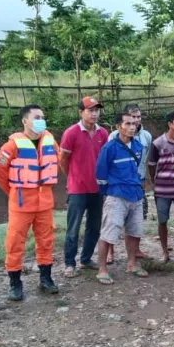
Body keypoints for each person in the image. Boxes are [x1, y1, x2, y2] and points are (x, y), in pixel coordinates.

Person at [0, 104, 60, 300]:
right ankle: (15, 283)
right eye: (36, 117)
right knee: (14, 243)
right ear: (25, 121)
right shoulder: (11, 146)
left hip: (44, 203)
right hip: (21, 204)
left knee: (46, 242)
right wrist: (14, 192)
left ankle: (46, 279)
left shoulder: (50, 142)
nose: (41, 120)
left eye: (43, 117)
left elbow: (55, 162)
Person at [94, 112, 150, 285]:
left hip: (135, 195)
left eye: (134, 123)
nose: (132, 127)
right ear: (118, 127)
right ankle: (102, 269)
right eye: (127, 124)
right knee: (108, 233)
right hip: (116, 195)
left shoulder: (138, 147)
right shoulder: (109, 148)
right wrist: (108, 193)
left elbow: (137, 169)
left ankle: (132, 264)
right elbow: (100, 174)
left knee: (134, 231)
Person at [61, 96, 108, 278]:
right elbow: (63, 160)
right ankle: (69, 263)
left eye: (96, 110)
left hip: (97, 188)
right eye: (90, 110)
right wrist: (73, 176)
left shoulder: (102, 133)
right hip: (77, 189)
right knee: (73, 227)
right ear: (81, 112)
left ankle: (86, 259)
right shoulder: (71, 133)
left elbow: (104, 160)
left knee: (94, 227)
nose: (94, 113)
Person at [109, 103, 152, 262]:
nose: (136, 121)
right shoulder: (113, 136)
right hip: (118, 185)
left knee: (138, 219)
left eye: (138, 117)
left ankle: (136, 250)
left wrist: (143, 179)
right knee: (113, 220)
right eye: (132, 117)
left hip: (138, 183)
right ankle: (110, 252)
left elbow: (144, 159)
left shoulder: (146, 136)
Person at [148, 111, 174, 262]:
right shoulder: (157, 143)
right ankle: (165, 252)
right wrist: (155, 181)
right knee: (162, 221)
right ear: (170, 124)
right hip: (163, 190)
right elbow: (151, 165)